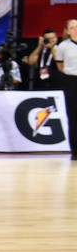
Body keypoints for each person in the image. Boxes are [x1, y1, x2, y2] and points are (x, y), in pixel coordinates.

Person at [53, 18, 77, 159]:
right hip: (71, 80)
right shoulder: (63, 46)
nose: (75, 30)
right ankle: (75, 150)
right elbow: (60, 66)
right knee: (73, 115)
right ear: (67, 31)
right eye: (72, 27)